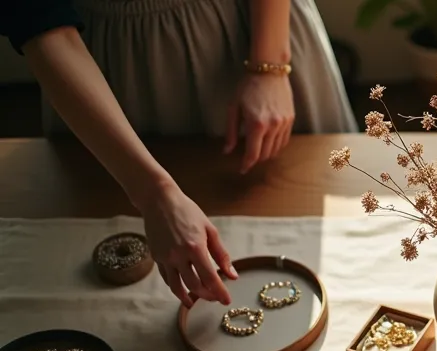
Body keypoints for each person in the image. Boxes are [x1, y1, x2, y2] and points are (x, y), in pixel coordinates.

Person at [0, 0, 356, 307]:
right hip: (103, 73)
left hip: (249, 30)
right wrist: (154, 193)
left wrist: (270, 66)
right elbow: (40, 21)